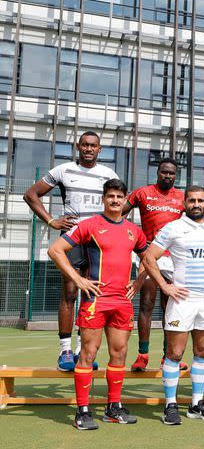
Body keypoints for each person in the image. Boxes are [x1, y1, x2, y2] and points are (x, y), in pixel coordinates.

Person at [47, 179, 148, 430]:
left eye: (119, 197)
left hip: (122, 302)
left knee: (120, 353)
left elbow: (150, 258)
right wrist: (79, 279)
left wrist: (138, 281)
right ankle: (82, 411)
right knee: (88, 354)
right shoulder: (89, 225)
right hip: (96, 301)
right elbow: (56, 250)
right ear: (103, 199)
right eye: (111, 196)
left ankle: (113, 407)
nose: (115, 200)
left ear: (126, 200)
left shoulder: (134, 230)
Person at [24, 131, 118, 371]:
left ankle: (82, 350)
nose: (88, 149)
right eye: (85, 145)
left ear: (100, 149)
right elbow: (31, 195)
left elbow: (119, 203)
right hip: (73, 238)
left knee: (92, 293)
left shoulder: (108, 174)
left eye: (93, 146)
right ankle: (65, 350)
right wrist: (51, 221)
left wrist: (110, 229)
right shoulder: (63, 170)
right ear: (78, 147)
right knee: (69, 292)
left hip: (98, 240)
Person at [143, 186, 204, 425]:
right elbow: (149, 258)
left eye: (201, 200)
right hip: (181, 300)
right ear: (185, 203)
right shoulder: (174, 228)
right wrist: (164, 286)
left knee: (203, 352)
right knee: (175, 353)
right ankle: (170, 405)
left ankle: (196, 404)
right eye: (191, 200)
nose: (196, 204)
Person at [122, 159, 185, 372]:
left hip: (174, 258)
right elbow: (119, 214)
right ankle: (142, 355)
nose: (168, 176)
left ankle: (168, 355)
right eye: (164, 172)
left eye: (172, 173)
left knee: (171, 305)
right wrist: (135, 237)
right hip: (150, 256)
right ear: (157, 172)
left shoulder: (182, 197)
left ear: (175, 176)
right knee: (147, 304)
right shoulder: (142, 193)